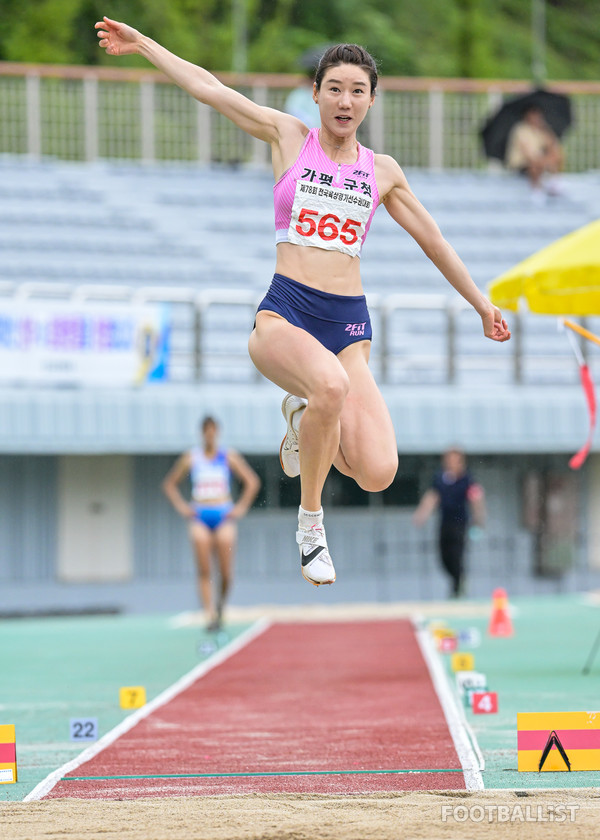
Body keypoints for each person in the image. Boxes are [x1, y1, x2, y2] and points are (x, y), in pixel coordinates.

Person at [96, 18, 511, 588]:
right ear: (315, 93)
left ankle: (304, 414)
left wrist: (481, 304)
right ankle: (311, 525)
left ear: (371, 101)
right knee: (330, 387)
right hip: (286, 314)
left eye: (357, 91)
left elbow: (433, 240)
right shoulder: (288, 137)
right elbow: (208, 87)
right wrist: (144, 44)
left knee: (378, 471)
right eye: (334, 88)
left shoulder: (382, 172)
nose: (345, 101)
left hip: (348, 327)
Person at [162, 416, 260, 630]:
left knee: (226, 573)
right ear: (202, 433)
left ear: (217, 432)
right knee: (204, 569)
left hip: (223, 515)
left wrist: (241, 507)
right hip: (200, 516)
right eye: (206, 431)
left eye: (213, 430)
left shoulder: (228, 455)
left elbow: (252, 481)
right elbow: (169, 484)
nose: (209, 435)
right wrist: (182, 507)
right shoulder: (192, 457)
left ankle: (220, 606)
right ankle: (208, 615)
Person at [412, 448, 486, 598]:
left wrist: (479, 519)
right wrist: (422, 514)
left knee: (456, 555)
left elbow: (476, 499)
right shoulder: (440, 478)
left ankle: (458, 587)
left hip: (460, 524)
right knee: (444, 557)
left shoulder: (467, 479)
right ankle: (456, 581)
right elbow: (432, 497)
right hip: (445, 523)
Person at [505, 105, 565, 201]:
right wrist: (542, 161)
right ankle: (536, 190)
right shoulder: (520, 130)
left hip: (538, 160)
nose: (536, 118)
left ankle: (554, 183)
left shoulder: (540, 130)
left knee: (556, 155)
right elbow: (527, 154)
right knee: (534, 164)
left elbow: (552, 145)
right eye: (533, 115)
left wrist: (546, 130)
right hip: (521, 163)